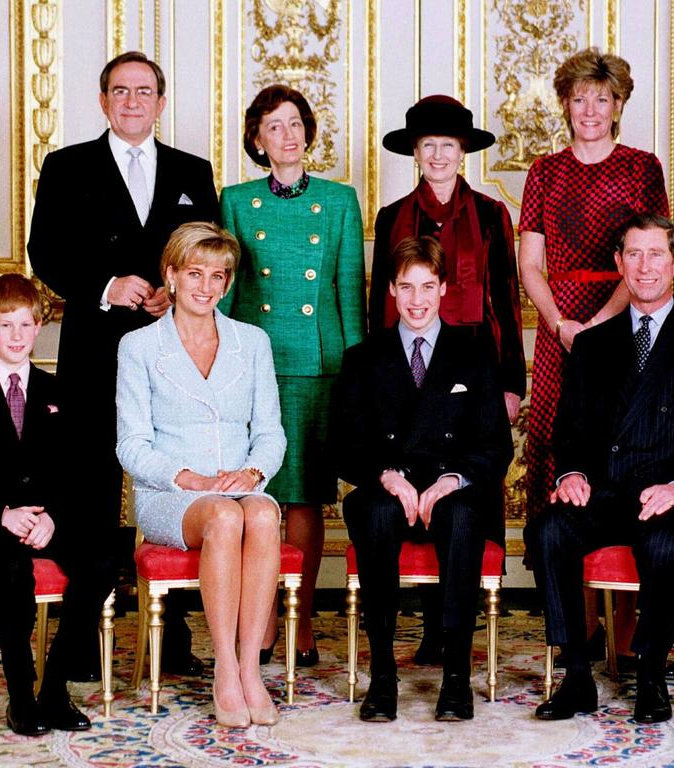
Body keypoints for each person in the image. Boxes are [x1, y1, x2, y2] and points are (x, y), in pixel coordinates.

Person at [27, 51, 219, 678]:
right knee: (93, 490)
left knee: (171, 479)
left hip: (175, 349)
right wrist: (107, 285)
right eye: (120, 91)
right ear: (103, 101)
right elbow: (45, 250)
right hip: (97, 352)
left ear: (161, 103)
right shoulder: (66, 165)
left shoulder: (194, 170)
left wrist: (173, 287)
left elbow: (207, 249)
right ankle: (83, 636)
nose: (132, 101)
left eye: (144, 91)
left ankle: (175, 638)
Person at [526, 214, 674, 723]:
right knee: (548, 530)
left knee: (664, 545)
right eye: (634, 255)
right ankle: (577, 674)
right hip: (609, 491)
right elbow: (569, 430)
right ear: (619, 263)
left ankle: (649, 674)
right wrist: (570, 474)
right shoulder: (592, 344)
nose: (645, 267)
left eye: (657, 255)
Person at [370, 94, 525, 664]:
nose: (438, 155)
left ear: (463, 154)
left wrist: (510, 383)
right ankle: (423, 626)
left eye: (449, 146)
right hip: (407, 372)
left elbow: (505, 301)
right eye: (428, 145)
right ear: (415, 152)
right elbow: (376, 307)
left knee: (458, 491)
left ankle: (448, 631)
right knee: (410, 487)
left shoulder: (490, 214)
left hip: (472, 379)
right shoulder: (392, 217)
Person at [333, 236, 513, 722]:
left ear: (444, 288)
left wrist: (452, 479)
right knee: (373, 513)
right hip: (387, 489)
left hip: (450, 491)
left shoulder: (473, 352)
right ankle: (384, 674)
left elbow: (497, 444)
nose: (417, 300)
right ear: (390, 289)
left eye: (427, 286)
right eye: (407, 287)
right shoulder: (363, 358)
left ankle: (456, 676)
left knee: (461, 518)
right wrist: (388, 476)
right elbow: (343, 446)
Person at [116, 222, 287, 727]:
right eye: (195, 273)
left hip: (239, 484)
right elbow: (130, 445)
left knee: (259, 515)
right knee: (224, 518)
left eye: (218, 276)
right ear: (170, 275)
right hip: (170, 494)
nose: (206, 287)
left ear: (229, 283)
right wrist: (188, 478)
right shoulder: (139, 346)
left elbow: (272, 434)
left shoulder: (252, 342)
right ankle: (226, 668)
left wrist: (253, 471)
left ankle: (251, 667)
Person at [220, 84, 366, 666]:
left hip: (315, 366)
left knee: (303, 497)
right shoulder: (235, 200)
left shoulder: (338, 201)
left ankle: (300, 617)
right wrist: (217, 368)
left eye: (296, 123)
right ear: (257, 140)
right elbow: (227, 295)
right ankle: (258, 621)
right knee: (257, 494)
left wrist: (356, 374)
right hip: (254, 364)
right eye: (274, 126)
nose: (288, 134)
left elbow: (349, 293)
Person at [0, 275, 114, 736]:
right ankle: (21, 695)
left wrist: (51, 516)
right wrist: (2, 514)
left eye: (26, 325)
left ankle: (54, 690)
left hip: (50, 516)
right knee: (11, 572)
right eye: (6, 325)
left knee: (98, 563)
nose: (17, 336)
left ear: (39, 327)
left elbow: (79, 472)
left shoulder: (63, 393)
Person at [519, 47, 669, 526]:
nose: (590, 111)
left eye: (601, 100)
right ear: (565, 103)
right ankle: (556, 568)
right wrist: (564, 326)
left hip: (626, 316)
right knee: (550, 431)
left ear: (619, 106)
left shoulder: (642, 167)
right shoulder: (544, 171)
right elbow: (529, 265)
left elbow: (649, 259)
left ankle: (621, 581)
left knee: (622, 431)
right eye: (580, 99)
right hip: (557, 324)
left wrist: (598, 327)